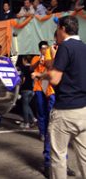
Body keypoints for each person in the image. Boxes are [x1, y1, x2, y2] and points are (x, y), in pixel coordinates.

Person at [32, 16, 86, 179]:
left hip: (65, 111)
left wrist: (41, 74)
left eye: (57, 28)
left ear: (62, 29)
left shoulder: (65, 47)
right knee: (84, 156)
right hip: (83, 110)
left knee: (58, 157)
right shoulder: (83, 47)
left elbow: (55, 78)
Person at [30, 41, 55, 142]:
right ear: (40, 49)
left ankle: (49, 133)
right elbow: (31, 68)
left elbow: (51, 68)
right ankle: (42, 133)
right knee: (41, 110)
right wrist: (39, 60)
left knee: (49, 111)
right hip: (39, 86)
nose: (45, 50)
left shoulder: (50, 58)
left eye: (46, 48)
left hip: (48, 85)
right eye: (43, 48)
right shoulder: (36, 58)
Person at [19, 55, 37, 129]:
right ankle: (33, 119)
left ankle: (26, 123)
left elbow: (22, 80)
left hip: (25, 89)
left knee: (25, 106)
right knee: (27, 105)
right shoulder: (32, 69)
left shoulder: (23, 68)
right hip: (32, 90)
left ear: (24, 60)